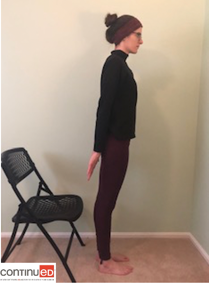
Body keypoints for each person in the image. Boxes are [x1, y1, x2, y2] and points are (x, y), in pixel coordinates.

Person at [87, 13, 143, 276]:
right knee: (106, 200)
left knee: (109, 200)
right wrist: (97, 149)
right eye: (138, 35)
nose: (141, 41)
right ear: (123, 36)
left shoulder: (121, 64)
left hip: (119, 141)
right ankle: (104, 261)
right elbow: (104, 108)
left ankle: (103, 250)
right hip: (114, 143)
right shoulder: (114, 64)